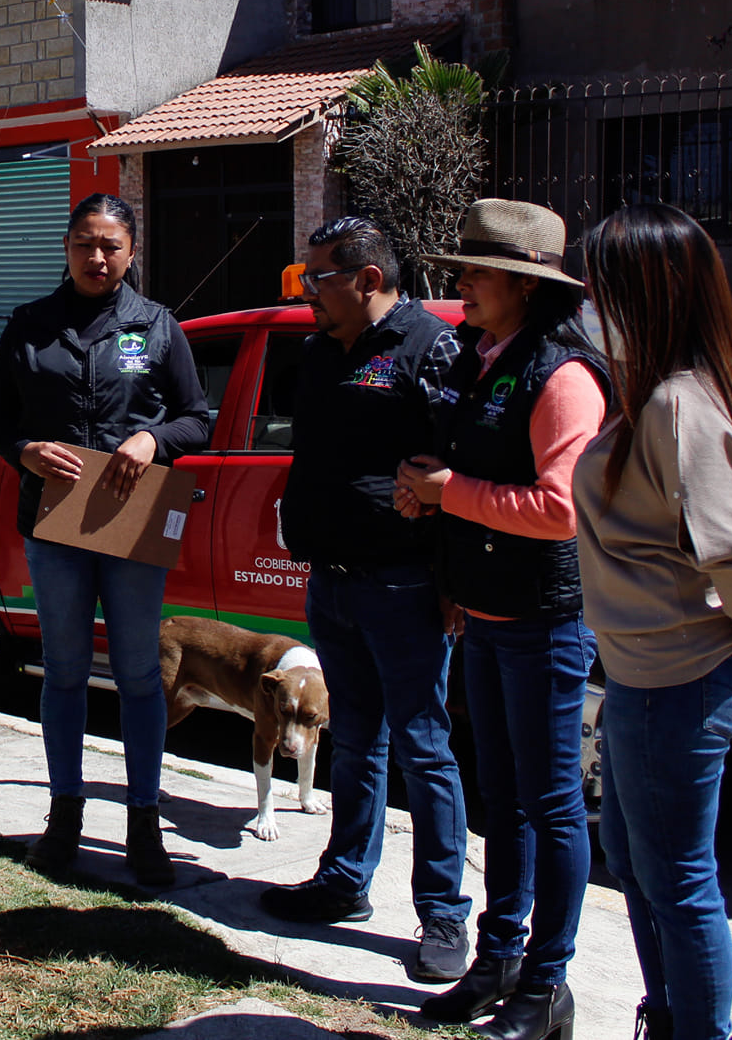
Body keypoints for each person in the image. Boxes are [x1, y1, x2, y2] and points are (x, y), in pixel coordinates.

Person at [574, 204, 732, 1040]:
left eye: (601, 288)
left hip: (681, 683)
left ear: (650, 294)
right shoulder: (653, 398)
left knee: (675, 879)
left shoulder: (680, 405)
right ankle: (668, 1014)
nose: (588, 306)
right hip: (644, 680)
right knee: (638, 866)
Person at [395, 200, 610, 1040]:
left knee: (552, 804)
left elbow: (561, 511)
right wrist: (438, 514)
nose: (461, 282)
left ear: (526, 284)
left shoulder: (564, 374)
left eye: (478, 271)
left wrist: (452, 493)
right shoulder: (487, 358)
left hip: (545, 621)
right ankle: (500, 959)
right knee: (503, 799)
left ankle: (547, 985)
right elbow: (478, 476)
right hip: (483, 614)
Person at [260, 215, 474, 987]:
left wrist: (451, 580)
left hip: (404, 583)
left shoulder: (429, 347)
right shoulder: (318, 352)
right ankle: (345, 879)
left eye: (318, 277)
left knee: (424, 744)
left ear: (368, 279)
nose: (307, 290)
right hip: (334, 580)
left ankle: (444, 909)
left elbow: (458, 469)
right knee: (353, 738)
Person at [0, 192, 211, 887]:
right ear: (66, 245)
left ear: (131, 252)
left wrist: (151, 437)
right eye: (85, 242)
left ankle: (144, 822)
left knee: (142, 674)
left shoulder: (158, 326)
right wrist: (23, 450)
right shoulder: (29, 325)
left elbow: (197, 416)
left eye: (111, 245)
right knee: (66, 671)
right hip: (54, 524)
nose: (98, 256)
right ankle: (66, 817)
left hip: (133, 520)